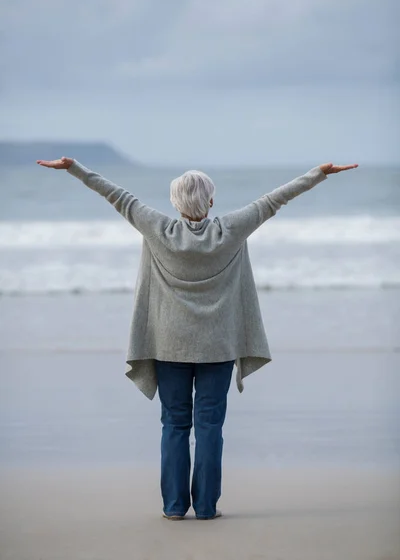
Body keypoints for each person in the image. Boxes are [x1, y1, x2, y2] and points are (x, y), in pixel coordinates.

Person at [36, 156, 358, 520]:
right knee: (209, 426)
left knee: (174, 423)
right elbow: (274, 200)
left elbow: (117, 196)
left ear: (175, 202)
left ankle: (174, 507)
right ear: (210, 202)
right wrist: (318, 174)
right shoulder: (231, 229)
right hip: (217, 346)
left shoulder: (157, 227)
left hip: (168, 345)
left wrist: (75, 168)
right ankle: (205, 507)